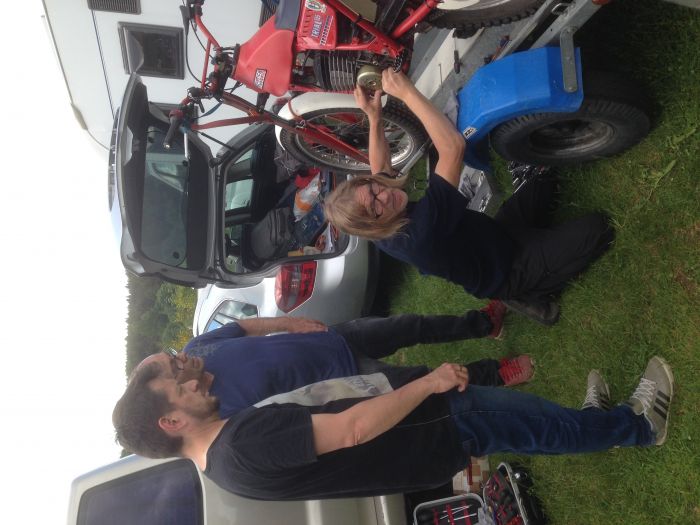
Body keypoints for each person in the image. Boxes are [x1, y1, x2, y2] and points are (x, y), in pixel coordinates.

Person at [112, 355, 673, 501]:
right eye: (181, 388)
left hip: (423, 442)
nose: (194, 382)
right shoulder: (241, 446)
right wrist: (427, 385)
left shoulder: (222, 467)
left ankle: (598, 420)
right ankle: (639, 426)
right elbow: (352, 430)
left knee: (531, 423)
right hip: (432, 427)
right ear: (172, 421)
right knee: (533, 426)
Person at [323, 70, 616, 325]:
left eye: (374, 190)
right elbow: (453, 147)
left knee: (541, 173)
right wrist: (407, 93)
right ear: (372, 225)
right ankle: (526, 294)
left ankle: (534, 253)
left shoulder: (377, 217)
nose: (385, 196)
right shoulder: (420, 234)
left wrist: (374, 117)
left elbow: (379, 168)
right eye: (375, 207)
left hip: (498, 235)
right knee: (598, 228)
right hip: (509, 271)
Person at [138, 305, 534, 419]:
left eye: (173, 355)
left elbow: (242, 326)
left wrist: (290, 323)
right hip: (347, 381)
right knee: (424, 382)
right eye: (175, 365)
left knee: (410, 325)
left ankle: (484, 323)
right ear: (176, 389)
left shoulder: (200, 345)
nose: (182, 357)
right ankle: (497, 374)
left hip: (333, 339)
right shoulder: (217, 411)